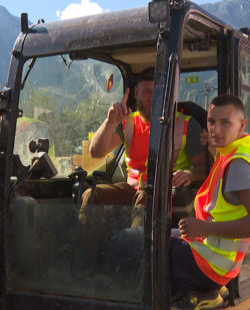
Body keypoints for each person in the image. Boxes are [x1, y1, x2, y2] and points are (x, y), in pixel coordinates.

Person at [170, 94, 250, 310]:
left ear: (242, 125)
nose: (216, 129)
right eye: (211, 122)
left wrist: (204, 229)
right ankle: (206, 291)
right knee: (165, 236)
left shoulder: (237, 166)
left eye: (226, 123)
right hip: (215, 257)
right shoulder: (233, 153)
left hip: (213, 265)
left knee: (149, 248)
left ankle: (202, 291)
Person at [83, 67, 205, 219]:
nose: (152, 97)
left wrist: (189, 174)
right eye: (147, 91)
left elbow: (203, 169)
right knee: (92, 194)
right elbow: (96, 152)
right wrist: (110, 122)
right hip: (131, 191)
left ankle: (135, 240)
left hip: (166, 195)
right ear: (136, 93)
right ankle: (85, 241)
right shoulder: (127, 123)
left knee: (144, 199)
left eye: (158, 92)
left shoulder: (187, 125)